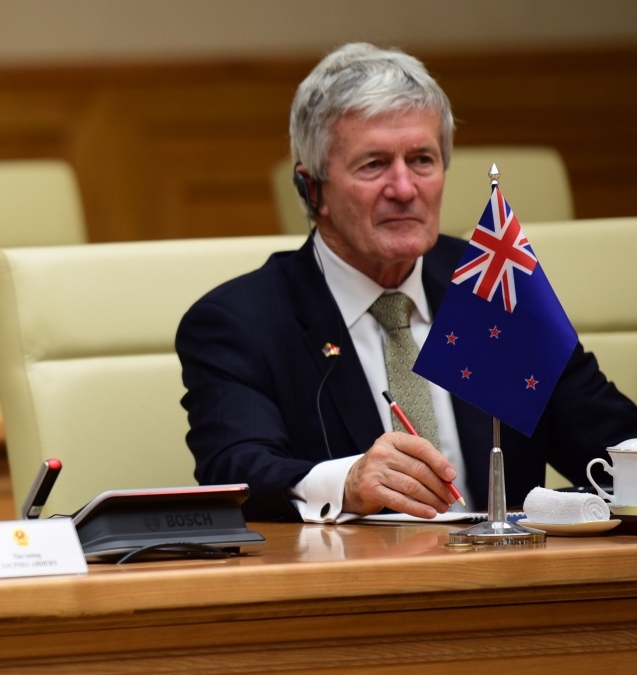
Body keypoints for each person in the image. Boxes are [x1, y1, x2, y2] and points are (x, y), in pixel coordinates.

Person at [176, 43, 637, 523]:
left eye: (421, 160)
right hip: (349, 587)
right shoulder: (241, 321)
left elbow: (612, 445)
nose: (403, 188)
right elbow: (236, 472)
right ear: (312, 190)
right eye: (373, 165)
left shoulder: (488, 283)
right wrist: (348, 483)